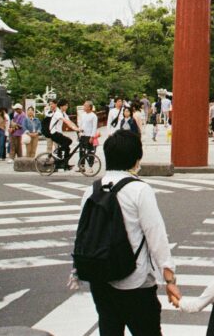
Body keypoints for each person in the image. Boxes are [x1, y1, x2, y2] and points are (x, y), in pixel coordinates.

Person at [73, 130, 180, 335]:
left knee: (109, 328)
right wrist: (170, 280)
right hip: (135, 281)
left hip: (100, 277)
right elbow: (156, 238)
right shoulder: (140, 190)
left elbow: (83, 234)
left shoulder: (91, 190)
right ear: (136, 159)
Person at [51, 101, 79, 167]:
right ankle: (56, 152)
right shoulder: (58, 113)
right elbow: (66, 121)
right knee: (69, 141)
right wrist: (75, 128)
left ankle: (65, 164)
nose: (67, 107)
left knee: (67, 148)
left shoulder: (63, 113)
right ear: (61, 106)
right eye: (65, 105)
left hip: (58, 133)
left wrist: (77, 128)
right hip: (54, 133)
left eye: (67, 105)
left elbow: (70, 122)